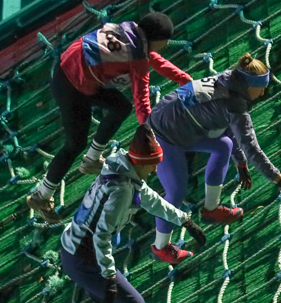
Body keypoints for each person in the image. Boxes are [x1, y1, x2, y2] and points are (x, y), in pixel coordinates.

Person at [58, 125, 206, 303]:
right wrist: (109, 276)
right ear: (141, 163)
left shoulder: (124, 172)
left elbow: (150, 200)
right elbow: (101, 235)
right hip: (85, 258)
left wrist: (184, 220)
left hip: (73, 251)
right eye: (153, 164)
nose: (155, 170)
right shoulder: (122, 190)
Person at [25, 12, 191, 223]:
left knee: (121, 107)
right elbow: (142, 102)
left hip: (75, 73)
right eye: (165, 40)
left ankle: (92, 159)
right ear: (156, 39)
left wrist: (188, 81)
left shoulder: (129, 32)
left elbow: (154, 60)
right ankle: (41, 196)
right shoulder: (137, 57)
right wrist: (151, 137)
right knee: (75, 144)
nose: (167, 44)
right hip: (70, 86)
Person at [145, 53, 281, 264]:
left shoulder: (229, 80)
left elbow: (227, 129)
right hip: (161, 136)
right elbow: (251, 147)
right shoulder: (233, 104)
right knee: (176, 191)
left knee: (223, 145)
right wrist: (279, 181)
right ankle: (160, 247)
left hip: (178, 127)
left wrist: (241, 163)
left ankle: (211, 209)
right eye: (260, 88)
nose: (263, 92)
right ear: (249, 86)